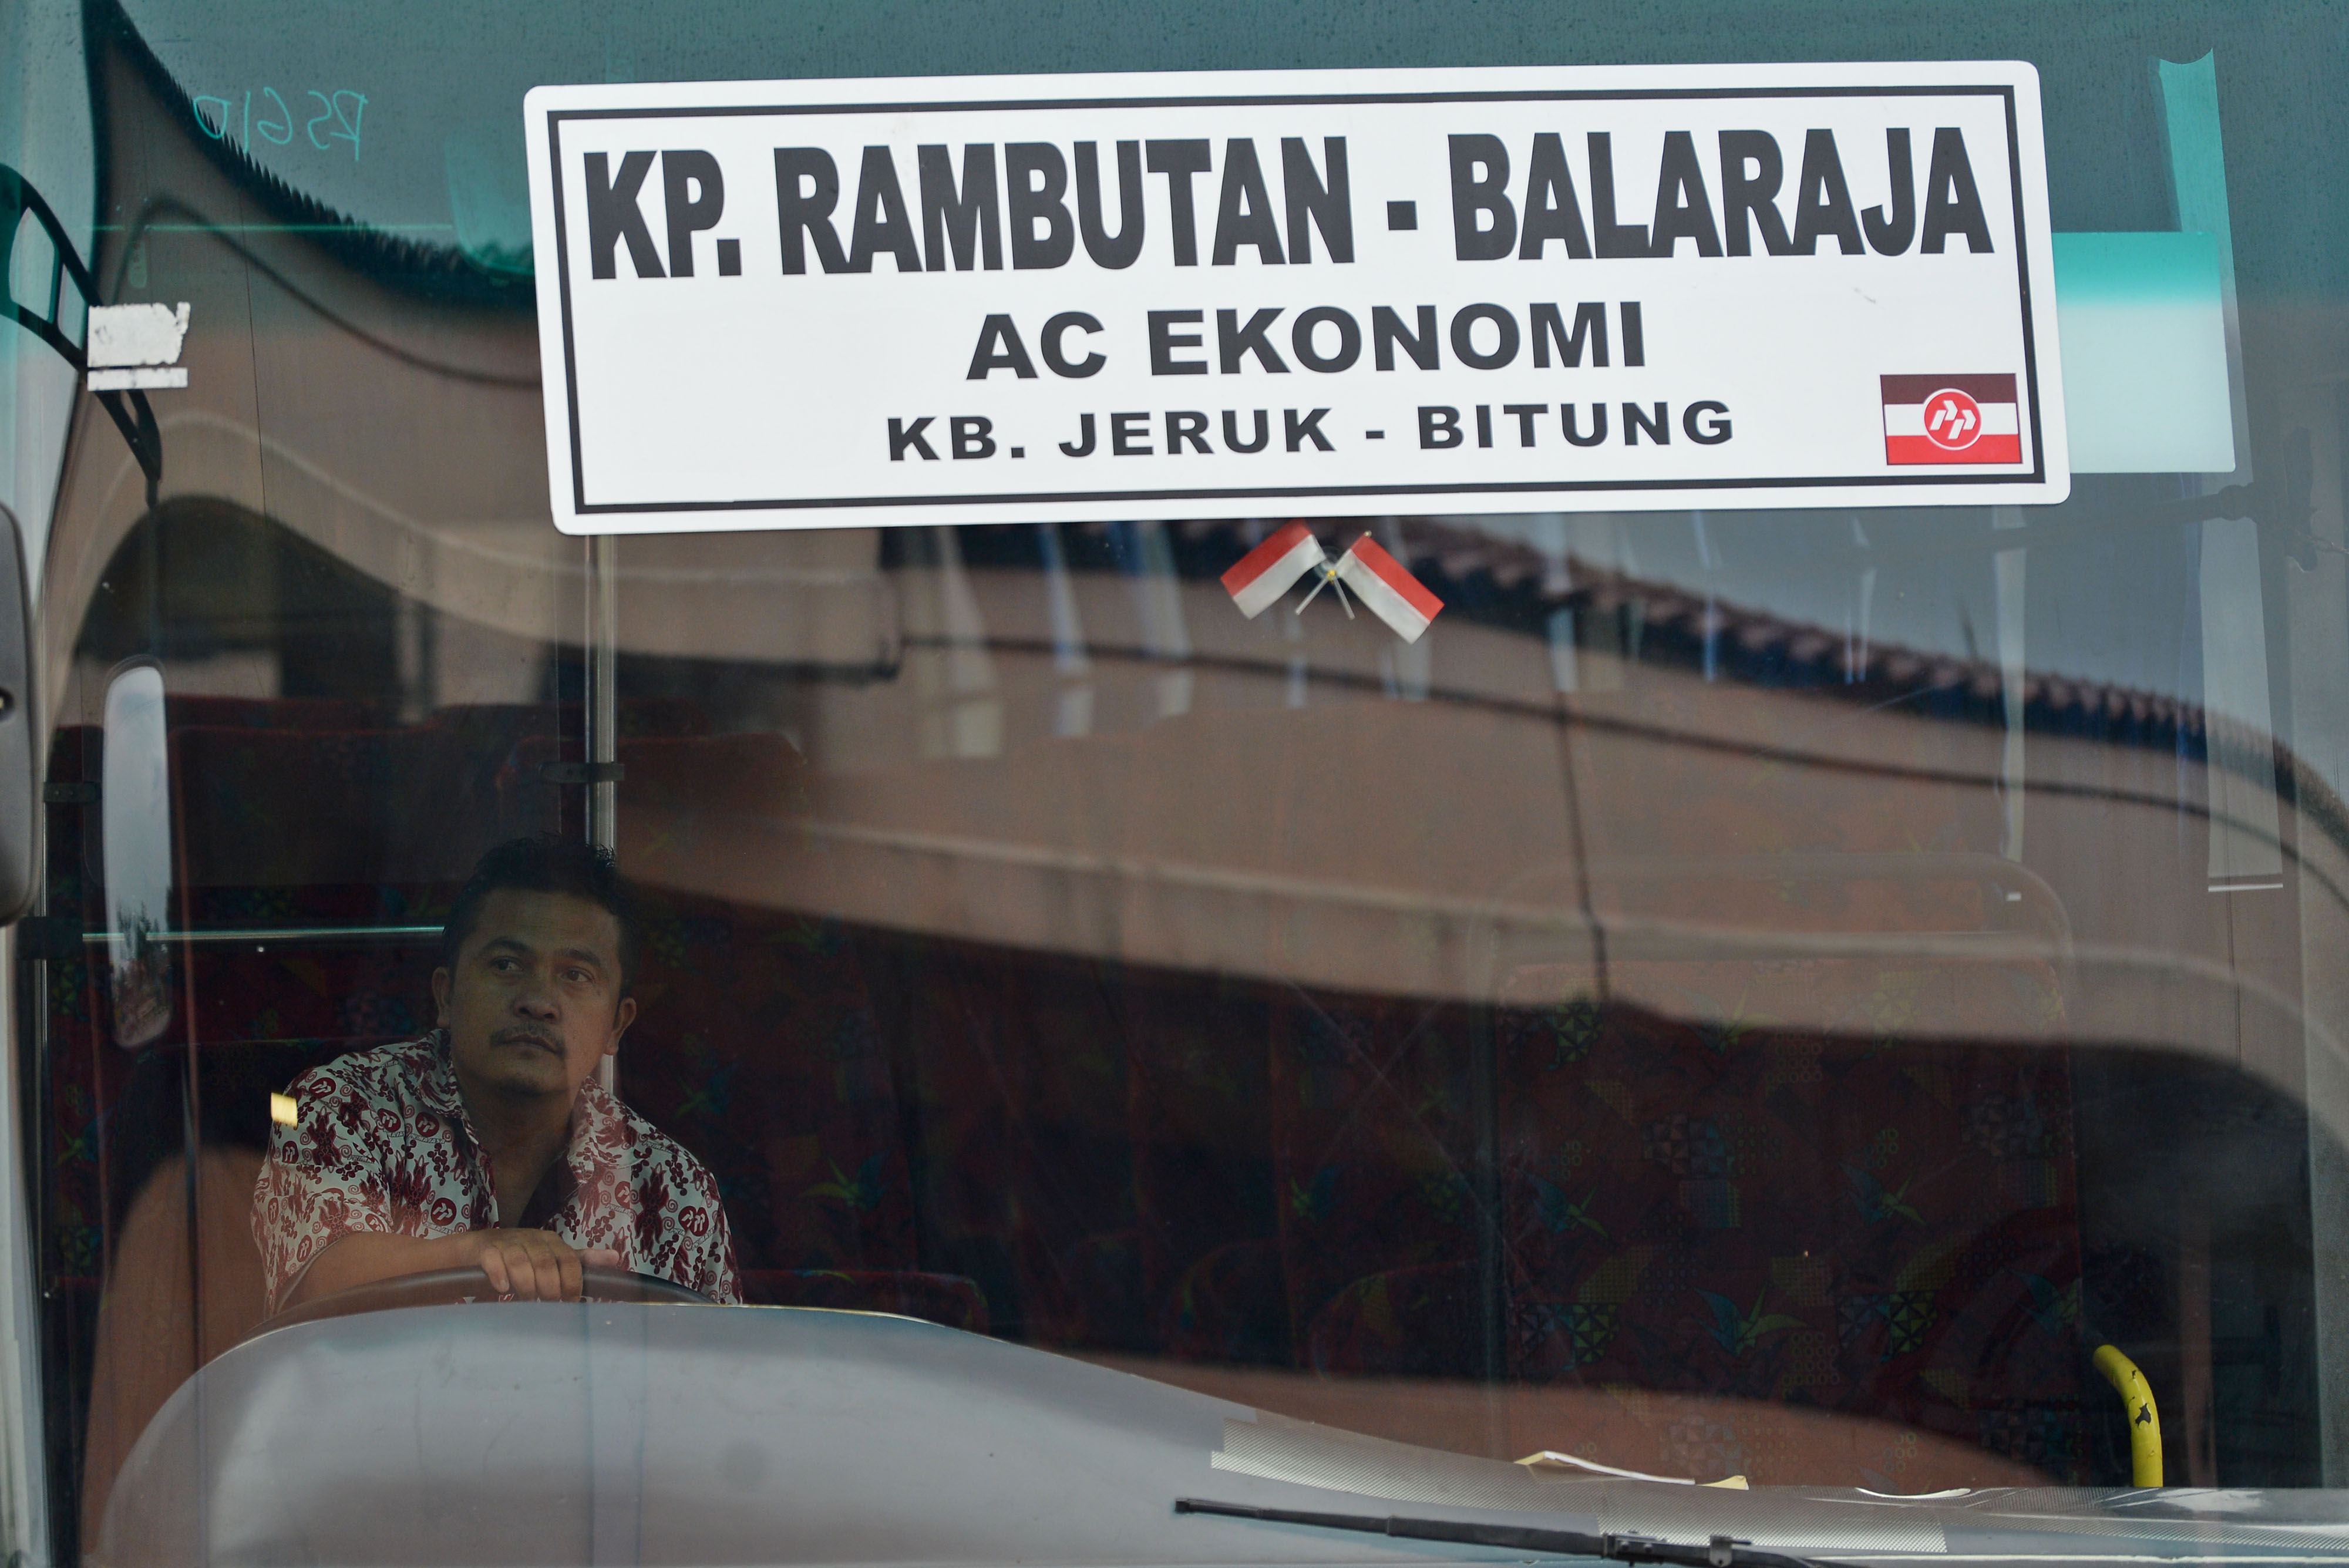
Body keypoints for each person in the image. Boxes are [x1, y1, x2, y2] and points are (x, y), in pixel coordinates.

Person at [253, 835, 741, 1313]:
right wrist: (477, 1253)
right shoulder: (341, 1106)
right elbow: (316, 1287)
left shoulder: (674, 1187)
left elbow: (721, 1375)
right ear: (446, 996)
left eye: (575, 975)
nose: (538, 1002)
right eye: (507, 964)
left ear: (616, 1025)